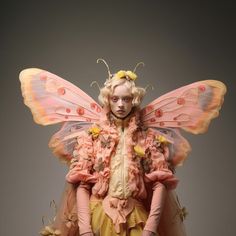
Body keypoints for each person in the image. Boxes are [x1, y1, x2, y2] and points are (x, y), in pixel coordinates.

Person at [19, 60, 226, 236]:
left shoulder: (148, 138)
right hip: (99, 215)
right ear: (108, 100)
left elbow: (160, 183)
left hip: (136, 218)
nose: (120, 105)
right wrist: (85, 229)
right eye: (115, 99)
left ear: (134, 101)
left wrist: (151, 228)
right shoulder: (92, 137)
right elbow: (82, 184)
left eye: (126, 99)